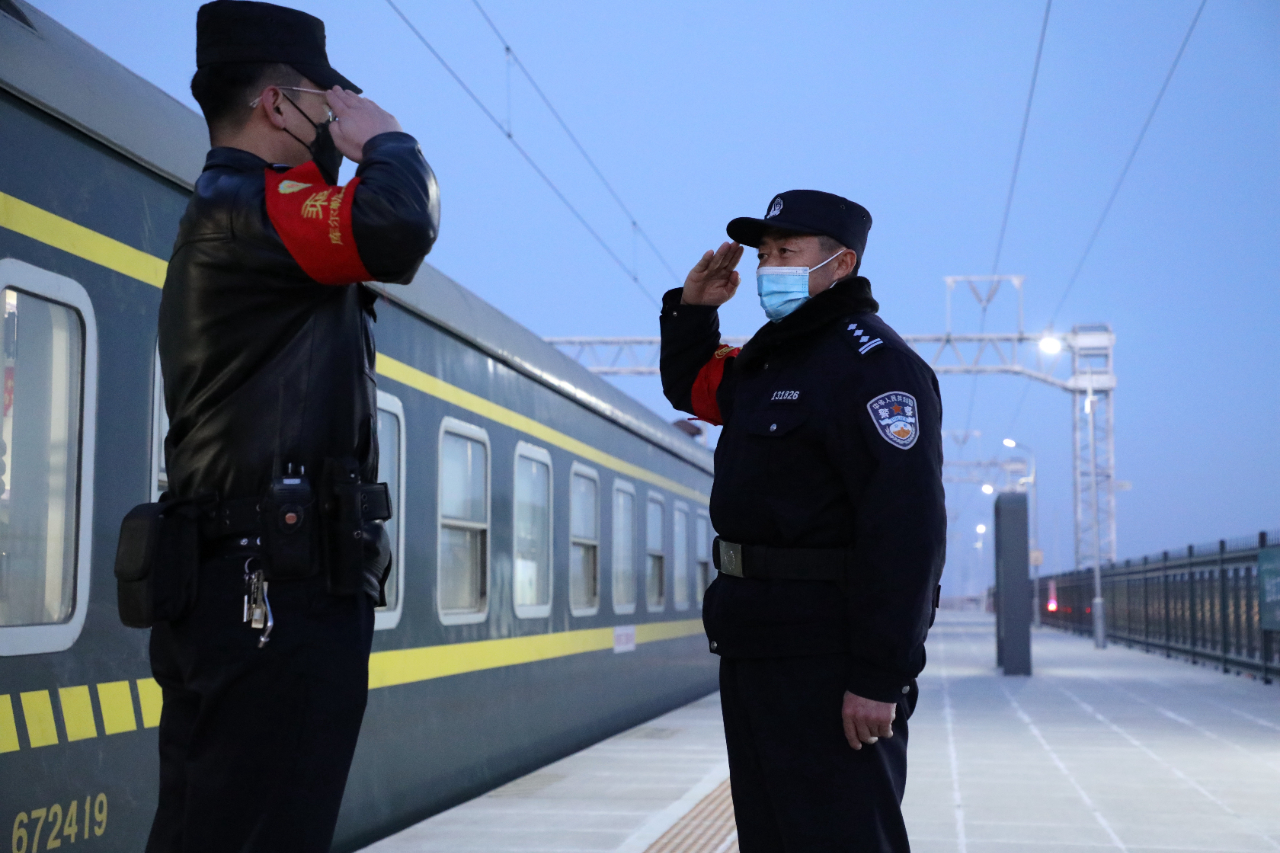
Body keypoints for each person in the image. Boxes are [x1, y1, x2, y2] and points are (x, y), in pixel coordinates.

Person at [149, 2, 438, 850]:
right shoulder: (257, 205)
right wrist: (387, 139)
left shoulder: (240, 212)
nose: (335, 115)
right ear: (278, 104)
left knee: (217, 826)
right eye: (323, 99)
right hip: (273, 590)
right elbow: (396, 226)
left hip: (250, 579)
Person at [660, 190, 945, 852]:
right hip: (754, 643)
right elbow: (693, 389)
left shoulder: (876, 366)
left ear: (841, 264)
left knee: (843, 837)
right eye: (763, 254)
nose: (768, 268)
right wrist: (694, 309)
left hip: (829, 657)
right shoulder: (770, 358)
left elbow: (907, 531)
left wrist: (879, 675)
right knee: (770, 836)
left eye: (786, 251)